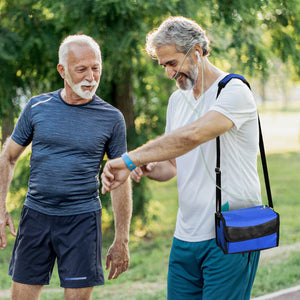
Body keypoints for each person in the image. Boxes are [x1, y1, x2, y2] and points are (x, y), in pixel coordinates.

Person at [101, 16, 262, 300]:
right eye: (163, 65)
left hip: (230, 231)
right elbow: (173, 164)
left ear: (197, 51)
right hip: (186, 235)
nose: (169, 73)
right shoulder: (178, 100)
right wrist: (149, 165)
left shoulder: (234, 91)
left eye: (173, 63)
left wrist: (129, 159)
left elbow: (193, 135)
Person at [0, 34, 132, 300]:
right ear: (62, 70)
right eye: (81, 69)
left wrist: (122, 239)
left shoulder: (112, 118)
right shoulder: (38, 106)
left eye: (96, 68)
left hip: (82, 222)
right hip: (36, 216)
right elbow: (8, 157)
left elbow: (120, 178)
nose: (91, 77)